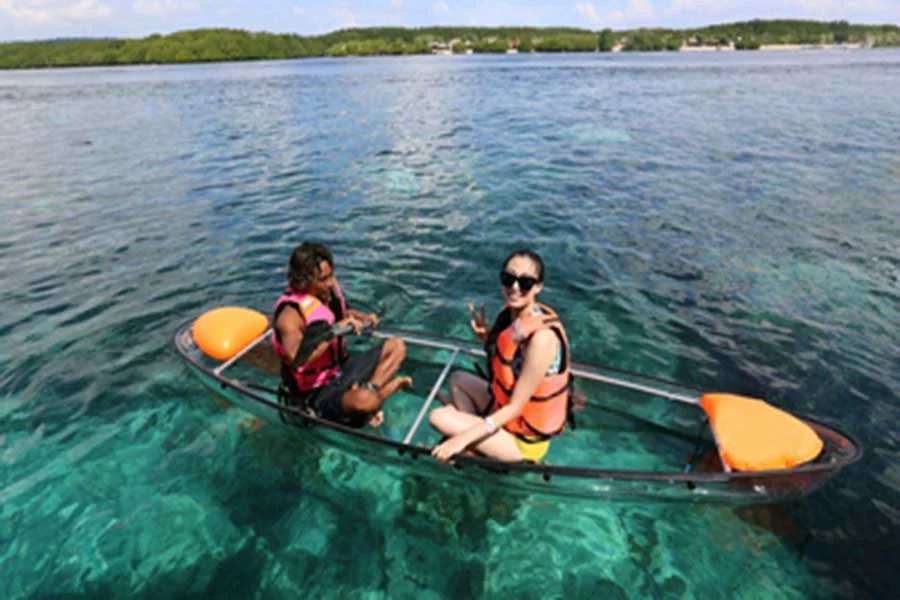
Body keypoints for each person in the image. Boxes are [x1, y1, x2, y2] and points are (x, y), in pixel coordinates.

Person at [429, 249, 573, 463]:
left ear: (538, 287)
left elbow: (515, 406)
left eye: (525, 283)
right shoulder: (515, 319)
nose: (514, 288)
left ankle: (473, 445)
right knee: (458, 379)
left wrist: (460, 439)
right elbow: (507, 363)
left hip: (523, 441)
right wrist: (488, 339)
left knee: (438, 417)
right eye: (508, 279)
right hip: (505, 416)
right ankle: (478, 443)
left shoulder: (542, 340)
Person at [272, 242, 410, 427]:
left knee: (397, 346)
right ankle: (380, 395)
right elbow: (296, 357)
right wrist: (335, 331)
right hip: (316, 392)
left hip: (341, 370)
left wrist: (361, 317)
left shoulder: (325, 292)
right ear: (304, 280)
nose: (330, 283)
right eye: (323, 279)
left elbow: (341, 314)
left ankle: (370, 391)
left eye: (331, 275)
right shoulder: (289, 315)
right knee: (365, 402)